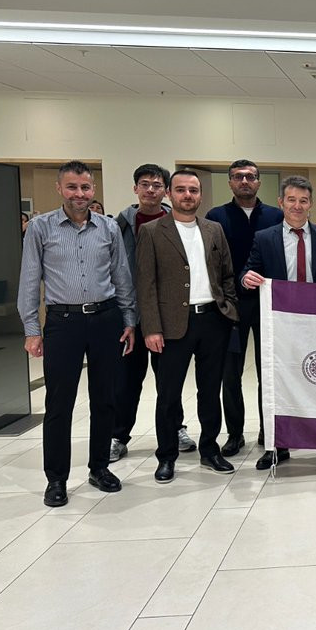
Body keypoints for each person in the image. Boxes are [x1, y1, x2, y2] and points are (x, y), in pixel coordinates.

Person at [17, 160, 136, 507]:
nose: (79, 194)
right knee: (59, 403)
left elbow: (121, 276)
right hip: (62, 322)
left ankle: (100, 467)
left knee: (105, 398)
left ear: (93, 189)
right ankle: (56, 479)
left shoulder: (108, 227)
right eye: (72, 187)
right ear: (60, 189)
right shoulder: (40, 228)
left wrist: (129, 321)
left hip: (106, 319)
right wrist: (31, 329)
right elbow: (29, 280)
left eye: (85, 187)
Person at [137, 170, 240, 483]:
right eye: (181, 190)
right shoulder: (152, 231)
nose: (187, 195)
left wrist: (229, 310)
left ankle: (210, 450)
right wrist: (151, 328)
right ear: (169, 194)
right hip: (170, 326)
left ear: (200, 195)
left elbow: (227, 274)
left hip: (213, 320)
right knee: (169, 394)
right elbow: (145, 283)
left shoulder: (213, 229)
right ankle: (166, 456)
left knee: (210, 390)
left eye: (193, 190)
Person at [243, 175, 316, 470]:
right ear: (281, 202)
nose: (297, 206)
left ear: (311, 204)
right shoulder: (264, 238)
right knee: (273, 382)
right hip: (280, 326)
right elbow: (249, 271)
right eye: (291, 200)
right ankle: (276, 444)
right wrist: (246, 278)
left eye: (303, 201)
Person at [111, 164, 193, 462]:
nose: (150, 190)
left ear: (165, 191)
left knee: (169, 379)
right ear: (135, 188)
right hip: (130, 314)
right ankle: (118, 435)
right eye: (144, 184)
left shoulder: (176, 222)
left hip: (166, 314)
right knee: (127, 380)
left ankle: (176, 428)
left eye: (157, 185)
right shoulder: (119, 224)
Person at [206, 160, 283, 457]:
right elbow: (211, 263)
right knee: (231, 374)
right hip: (231, 306)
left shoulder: (276, 216)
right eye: (238, 177)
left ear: (259, 182)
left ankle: (268, 430)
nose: (245, 181)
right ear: (230, 182)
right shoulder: (216, 217)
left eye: (250, 176)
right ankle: (235, 434)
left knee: (269, 373)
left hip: (269, 305)